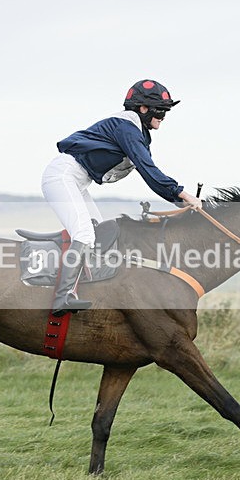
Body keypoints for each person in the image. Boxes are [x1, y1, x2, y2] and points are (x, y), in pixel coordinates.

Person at [42, 79, 203, 316]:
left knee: (97, 235)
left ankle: (85, 289)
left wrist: (179, 202)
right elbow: (149, 170)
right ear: (143, 108)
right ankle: (62, 298)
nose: (164, 116)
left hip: (77, 181)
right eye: (161, 110)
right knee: (85, 234)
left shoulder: (138, 132)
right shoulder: (126, 128)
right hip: (62, 176)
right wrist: (183, 194)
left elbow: (149, 174)